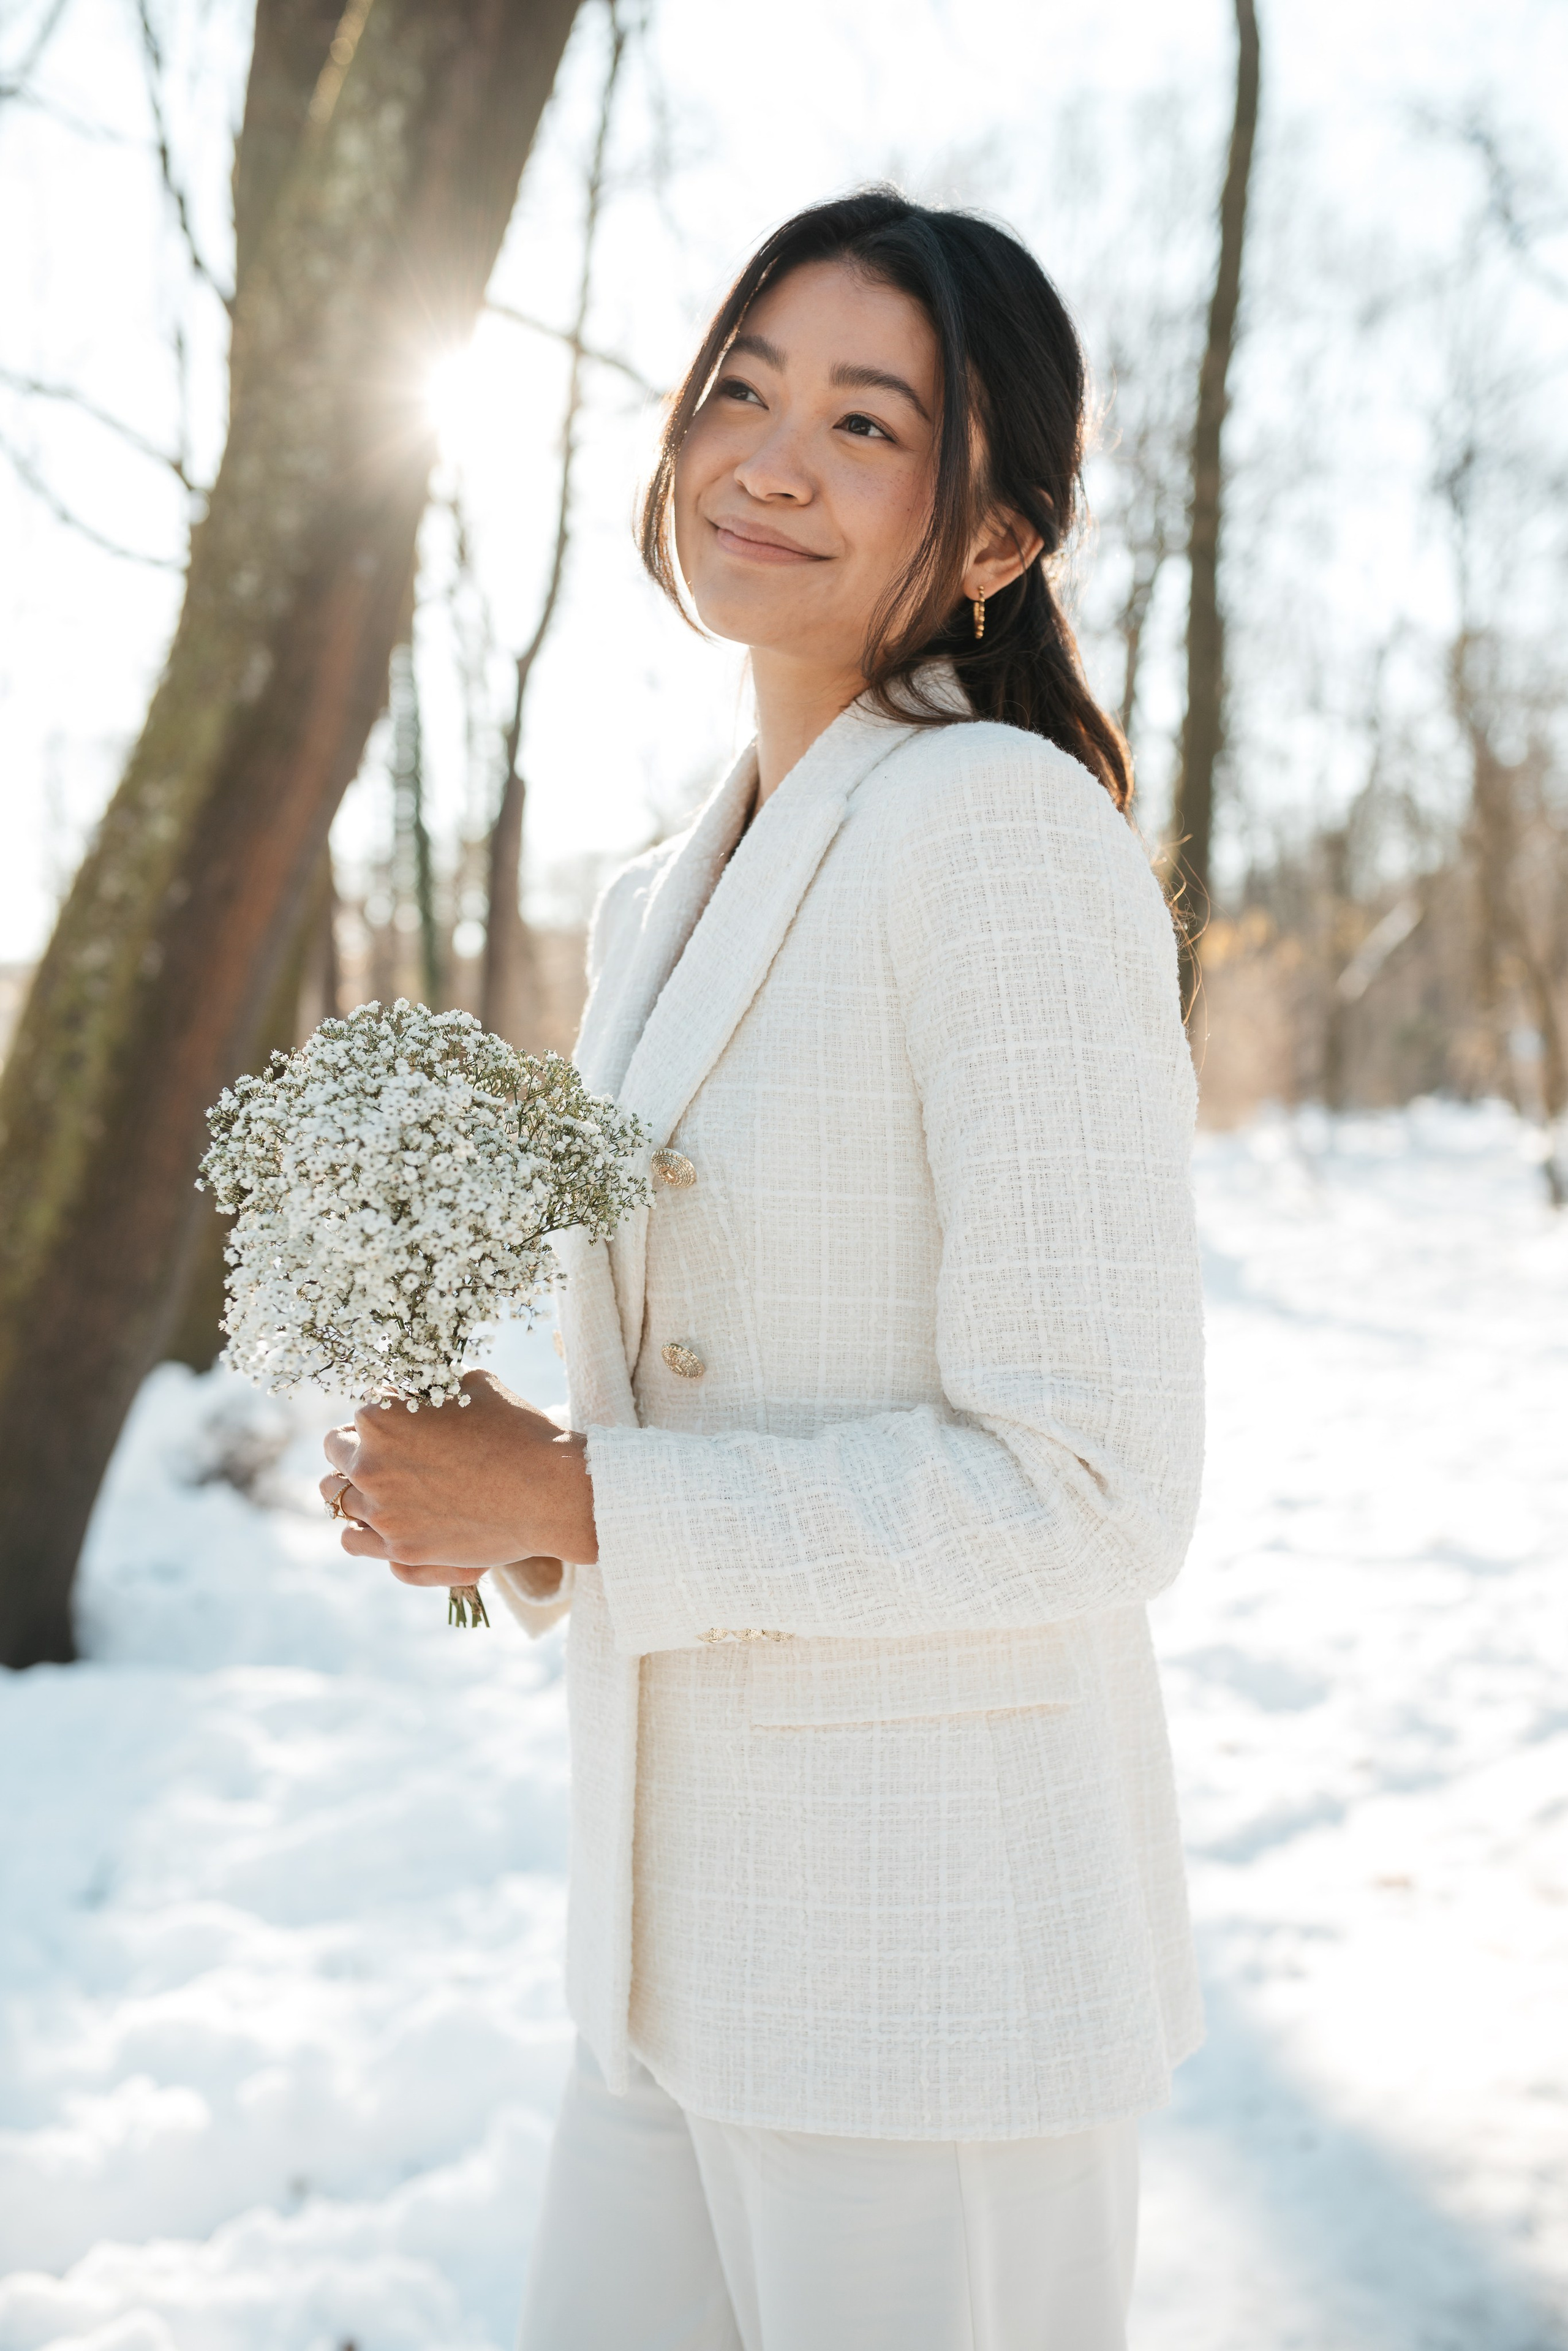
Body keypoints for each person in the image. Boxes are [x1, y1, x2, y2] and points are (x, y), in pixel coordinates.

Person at [322, 189, 1205, 2351]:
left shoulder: (999, 828)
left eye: (869, 424)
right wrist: (503, 1489)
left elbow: (1091, 1486)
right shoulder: (656, 900)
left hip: (934, 1978)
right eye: (742, 387)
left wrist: (575, 1505)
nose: (773, 460)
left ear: (997, 535)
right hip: (663, 1959)